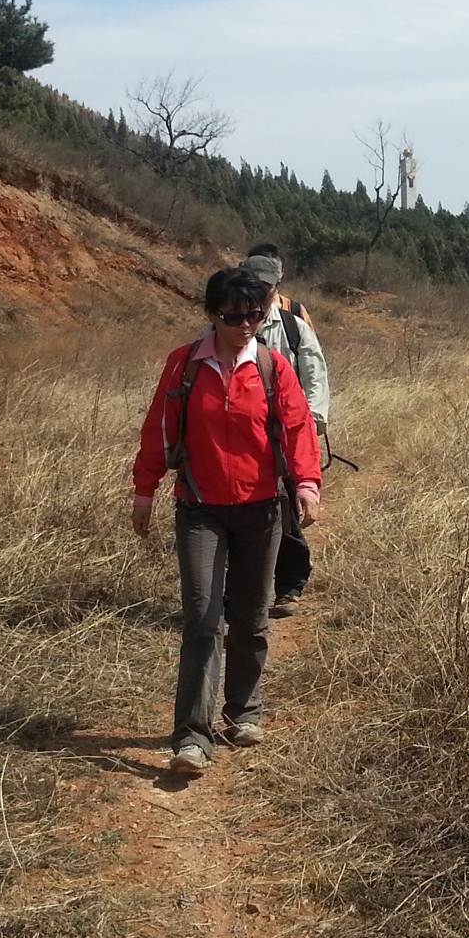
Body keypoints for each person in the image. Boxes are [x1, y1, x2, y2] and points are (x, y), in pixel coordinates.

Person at [131, 266, 323, 778]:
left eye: (254, 315)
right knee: (202, 618)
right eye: (232, 316)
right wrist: (144, 490)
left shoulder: (272, 367)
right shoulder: (183, 366)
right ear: (211, 315)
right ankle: (192, 737)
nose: (244, 325)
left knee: (252, 616)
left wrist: (306, 484)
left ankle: (243, 711)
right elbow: (159, 429)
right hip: (200, 508)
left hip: (262, 509)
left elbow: (297, 426)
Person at [239, 246, 330, 615]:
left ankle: (289, 586)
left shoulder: (293, 326)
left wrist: (311, 424)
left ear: (276, 286)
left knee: (286, 510)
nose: (258, 293)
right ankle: (240, 591)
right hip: (241, 437)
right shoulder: (226, 324)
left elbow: (315, 375)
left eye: (265, 287)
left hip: (286, 435)